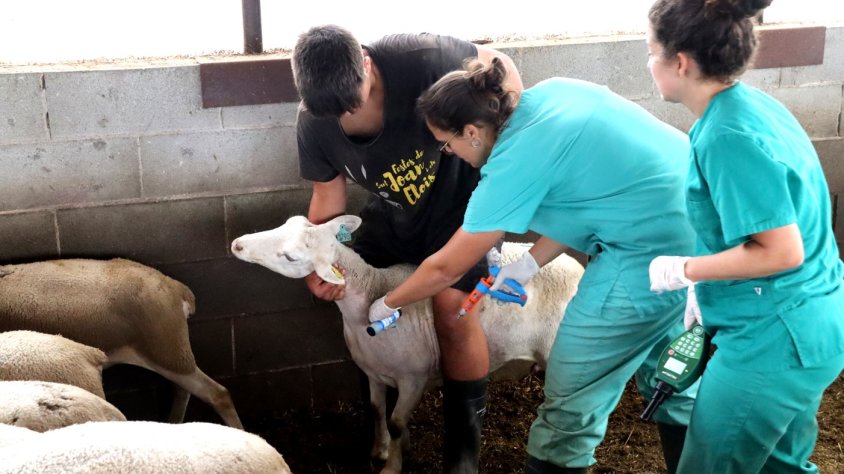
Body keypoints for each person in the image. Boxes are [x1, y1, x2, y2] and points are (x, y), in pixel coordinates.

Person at [368, 57, 699, 473]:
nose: (447, 152)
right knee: (671, 373)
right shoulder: (554, 93)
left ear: (471, 132)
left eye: (445, 143)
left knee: (571, 392)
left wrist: (387, 304)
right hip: (695, 225)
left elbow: (445, 269)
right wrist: (527, 263)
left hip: (645, 254)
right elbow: (594, 197)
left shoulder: (509, 164)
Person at [290, 25, 523, 473]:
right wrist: (318, 259)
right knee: (356, 291)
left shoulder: (422, 58)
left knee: (452, 309)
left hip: (464, 207)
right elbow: (327, 197)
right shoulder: (314, 122)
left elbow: (501, 63)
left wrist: (508, 152)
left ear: (365, 60)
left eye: (352, 100)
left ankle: (462, 456)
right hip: (396, 213)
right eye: (332, 110)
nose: (345, 113)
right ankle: (381, 435)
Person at [645, 1, 844, 473]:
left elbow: (780, 249)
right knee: (778, 466)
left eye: (650, 52)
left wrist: (685, 270)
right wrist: (707, 289)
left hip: (774, 338)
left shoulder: (726, 135)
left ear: (681, 63)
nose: (648, 63)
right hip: (806, 319)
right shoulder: (747, 106)